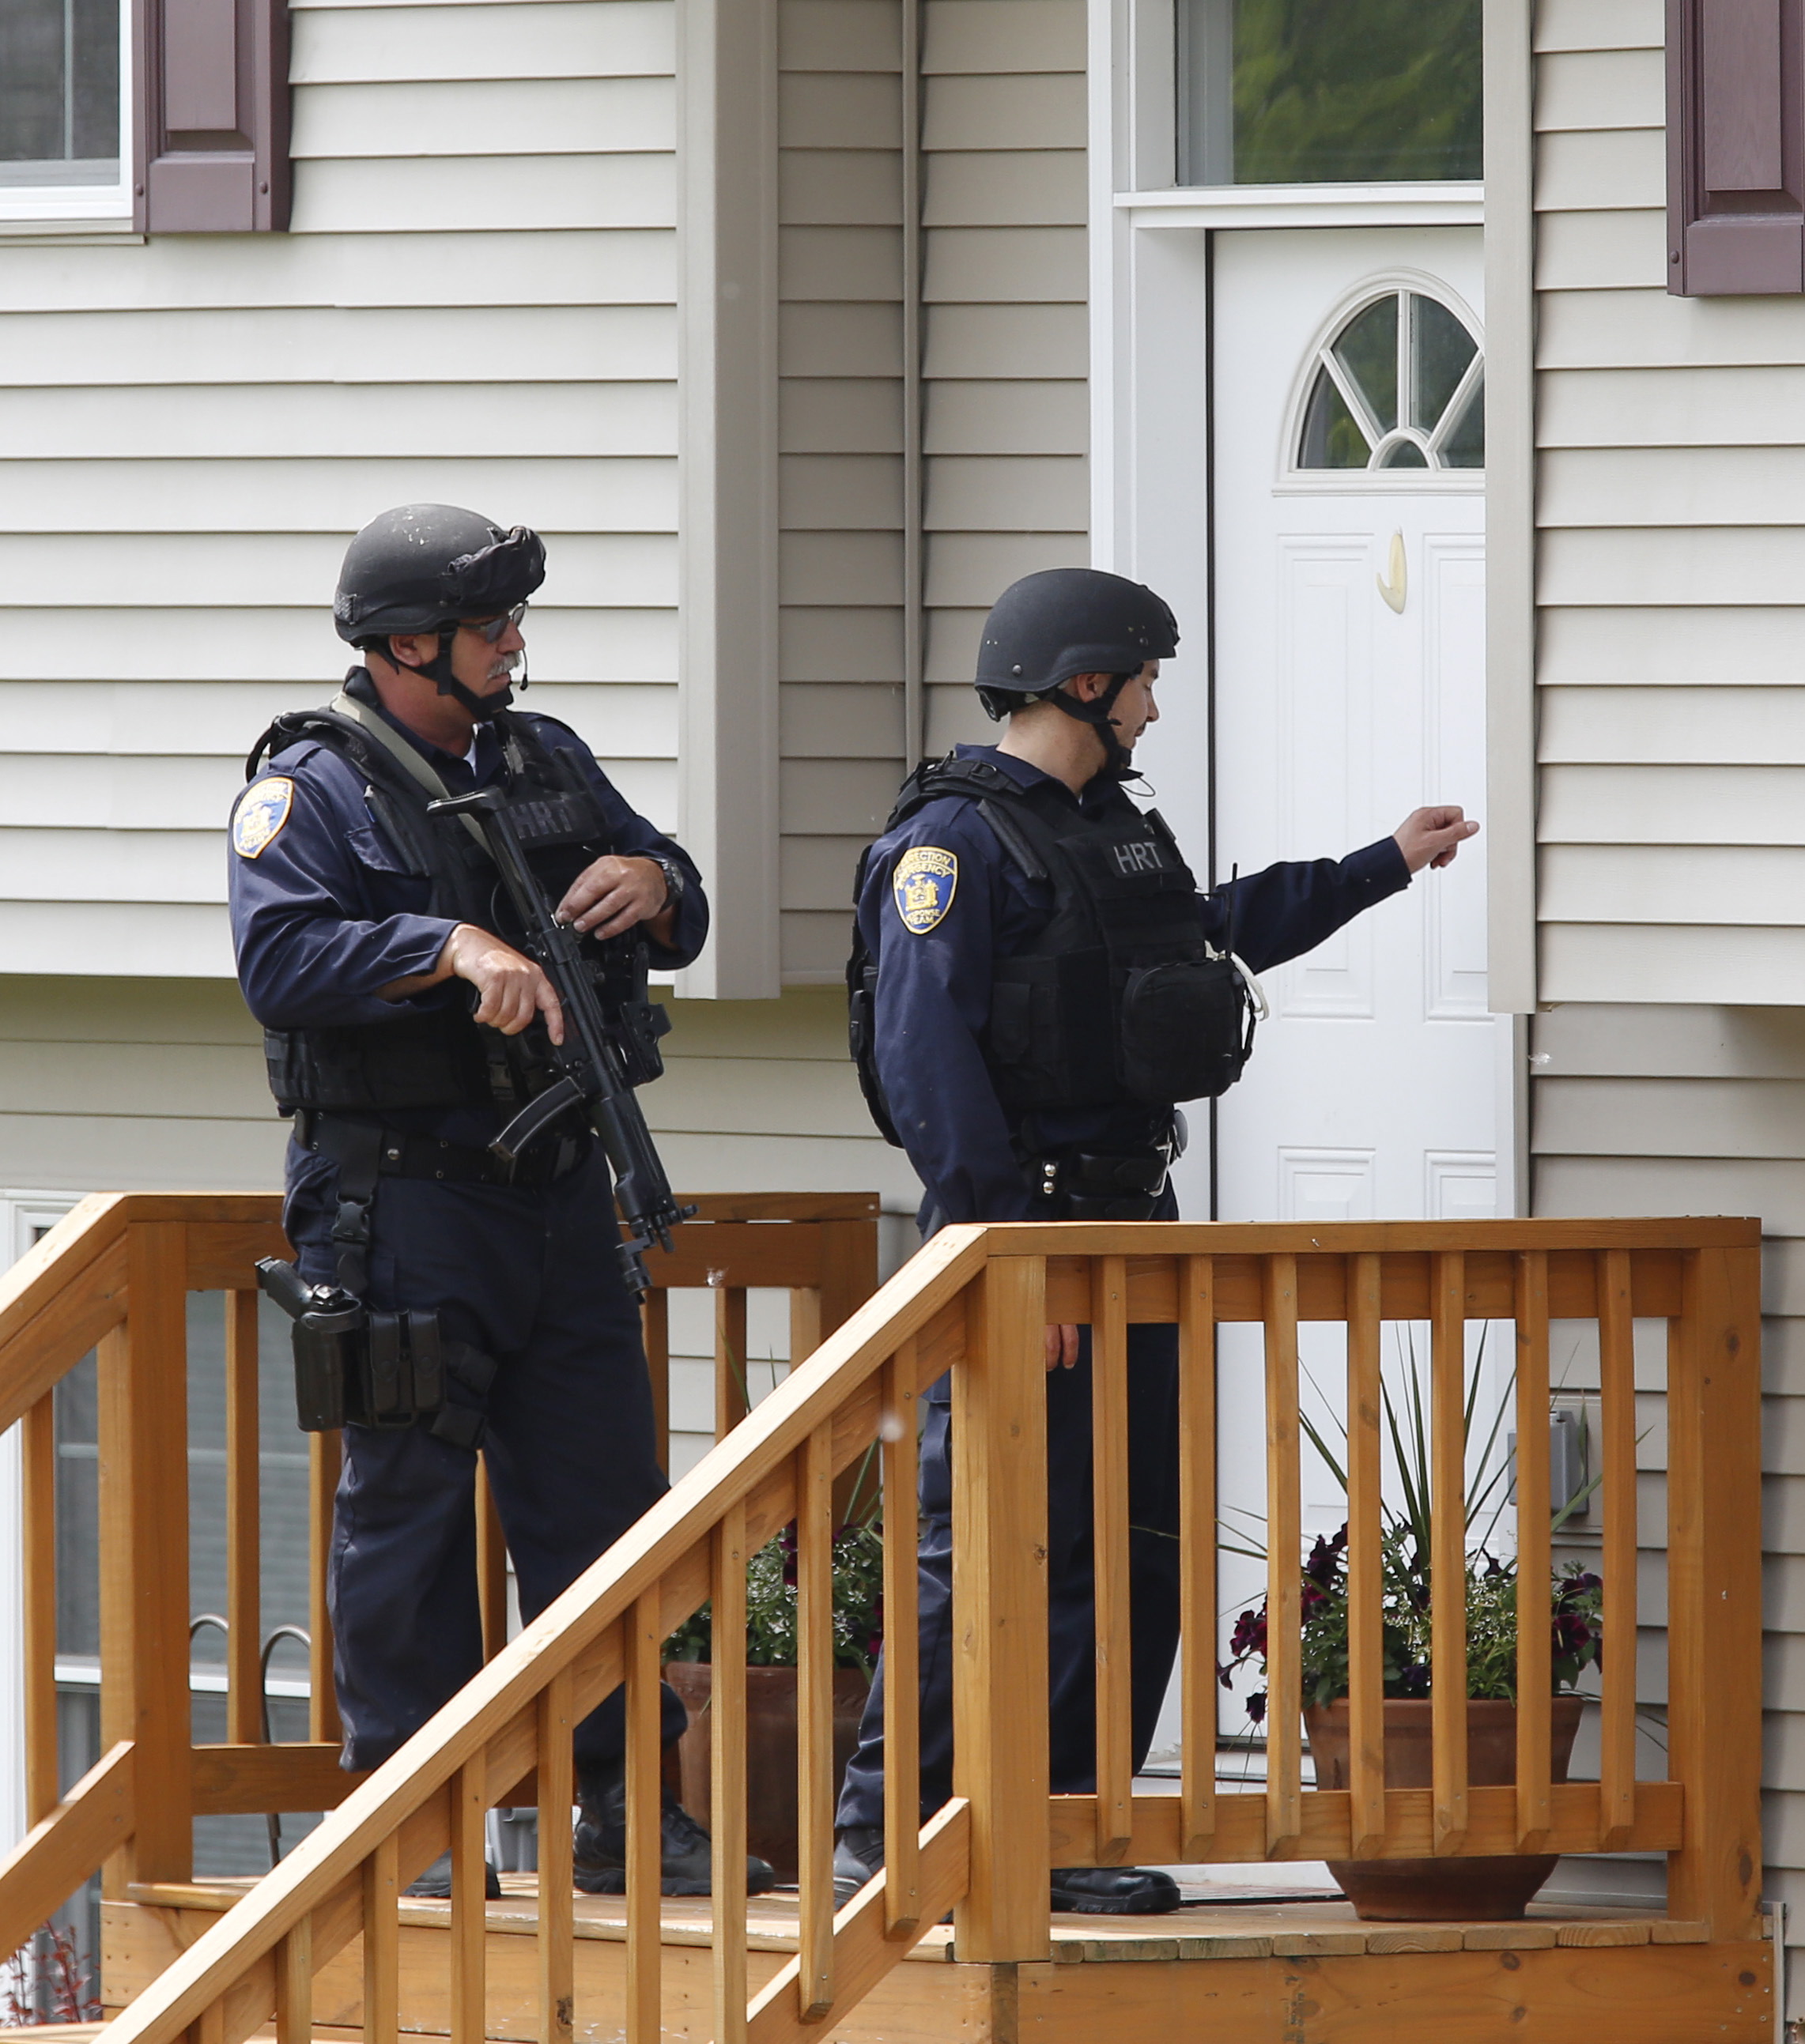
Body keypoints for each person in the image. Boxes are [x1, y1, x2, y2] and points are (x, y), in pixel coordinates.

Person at [833, 567, 1478, 1915]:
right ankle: (887, 1829)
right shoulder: (953, 845)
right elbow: (923, 1061)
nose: (1153, 703)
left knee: (1132, 1540)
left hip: (1135, 1228)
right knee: (993, 1536)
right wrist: (1008, 1252)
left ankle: (1073, 1826)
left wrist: (1382, 864)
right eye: (1143, 680)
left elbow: (1214, 933)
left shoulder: (1113, 831)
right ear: (1084, 683)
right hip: (1026, 1239)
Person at [228, 503, 772, 1899]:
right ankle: (407, 1826)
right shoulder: (317, 784)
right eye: (491, 626)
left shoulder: (542, 755)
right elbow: (282, 959)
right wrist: (448, 945)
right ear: (409, 642)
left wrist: (655, 882)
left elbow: (689, 902)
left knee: (605, 1512)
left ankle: (624, 1804)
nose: (515, 644)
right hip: (402, 1203)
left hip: (556, 1192)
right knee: (408, 1513)